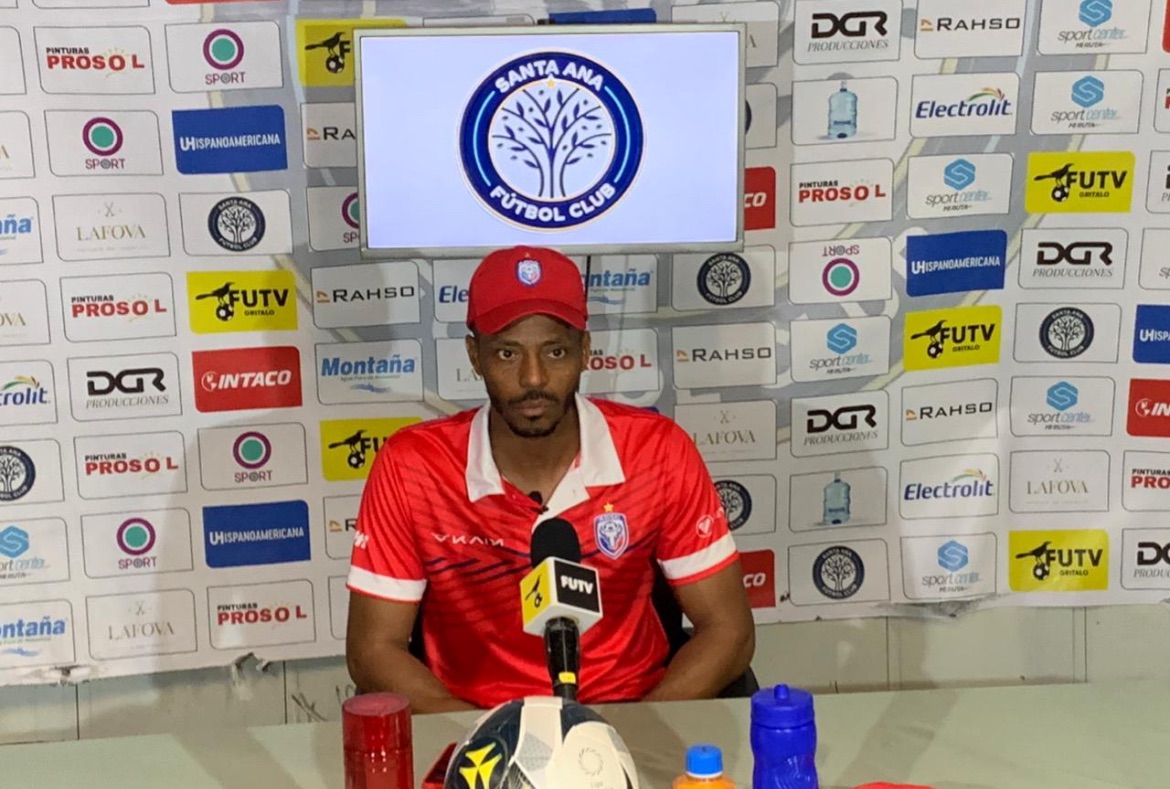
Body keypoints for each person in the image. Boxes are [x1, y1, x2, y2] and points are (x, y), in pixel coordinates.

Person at [346, 245, 755, 712]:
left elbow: (730, 631)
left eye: (555, 351)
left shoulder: (656, 451)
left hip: (631, 714)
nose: (533, 378)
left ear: (585, 351)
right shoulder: (414, 466)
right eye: (507, 353)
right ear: (474, 355)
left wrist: (633, 733)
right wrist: (492, 739)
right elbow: (372, 650)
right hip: (473, 726)